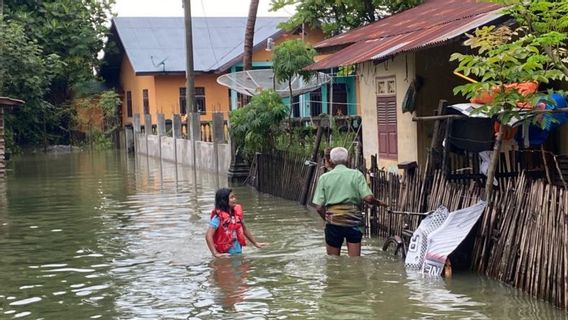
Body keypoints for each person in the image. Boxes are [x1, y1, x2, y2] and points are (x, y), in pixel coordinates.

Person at [312, 147, 387, 256]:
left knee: (333, 262)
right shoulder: (356, 175)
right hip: (354, 222)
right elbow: (368, 198)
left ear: (331, 161)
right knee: (355, 262)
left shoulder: (324, 178)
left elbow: (319, 207)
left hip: (333, 223)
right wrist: (379, 203)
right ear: (348, 159)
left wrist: (328, 218)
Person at [206, 188, 266, 257]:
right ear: (224, 200)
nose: (235, 199)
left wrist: (255, 243)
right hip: (225, 256)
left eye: (234, 197)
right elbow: (208, 235)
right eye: (232, 197)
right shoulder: (218, 218)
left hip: (237, 251)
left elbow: (244, 229)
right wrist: (215, 253)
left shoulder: (237, 215)